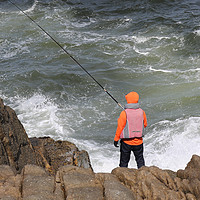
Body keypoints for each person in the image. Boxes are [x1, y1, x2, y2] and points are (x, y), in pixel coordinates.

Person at [114, 91, 147, 169]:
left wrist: (116, 139)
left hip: (126, 143)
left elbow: (120, 127)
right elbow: (145, 124)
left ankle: (122, 177)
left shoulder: (124, 113)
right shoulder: (142, 112)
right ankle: (143, 176)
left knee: (124, 163)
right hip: (139, 142)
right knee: (140, 161)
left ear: (128, 100)